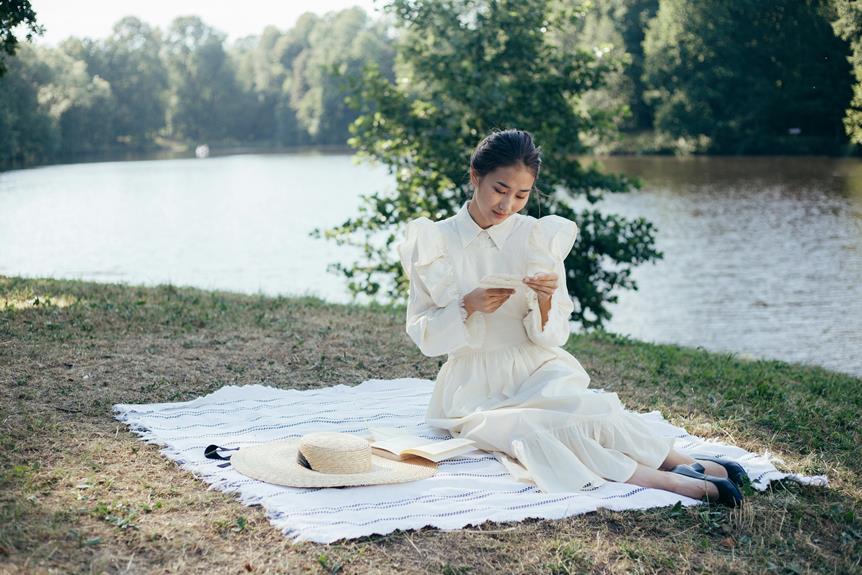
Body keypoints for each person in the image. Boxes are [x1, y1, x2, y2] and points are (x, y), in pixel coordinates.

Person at [396, 128, 746, 506]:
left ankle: (685, 462)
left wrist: (545, 301)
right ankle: (677, 483)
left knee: (587, 407)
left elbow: (552, 338)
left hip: (535, 363)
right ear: (475, 176)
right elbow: (423, 334)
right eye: (500, 189)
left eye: (522, 194)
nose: (508, 204)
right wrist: (467, 306)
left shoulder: (537, 238)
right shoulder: (433, 241)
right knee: (535, 427)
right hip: (473, 383)